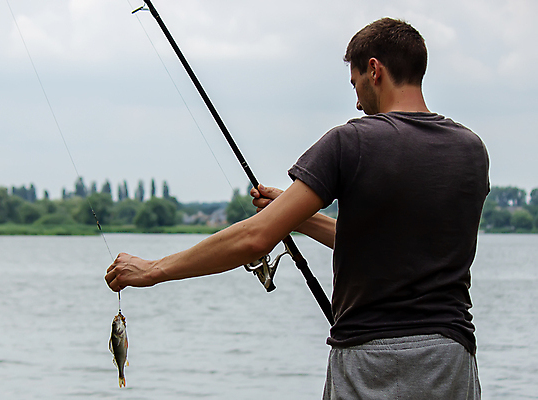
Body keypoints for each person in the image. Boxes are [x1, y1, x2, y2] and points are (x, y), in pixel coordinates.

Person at [105, 17, 488, 399]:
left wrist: (153, 269)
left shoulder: (350, 142)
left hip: (372, 363)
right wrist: (296, 217)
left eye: (355, 83)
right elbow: (385, 243)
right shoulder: (470, 150)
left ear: (374, 70)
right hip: (452, 360)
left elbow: (254, 239)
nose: (357, 101)